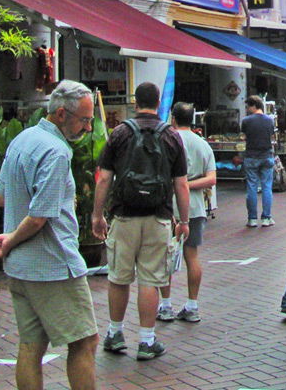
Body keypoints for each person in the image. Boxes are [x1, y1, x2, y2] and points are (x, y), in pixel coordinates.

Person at [0, 80, 99, 390]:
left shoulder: (23, 139)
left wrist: (11, 238)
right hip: (52, 264)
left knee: (30, 346)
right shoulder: (56, 152)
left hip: (21, 266)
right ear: (62, 114)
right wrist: (11, 238)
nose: (88, 128)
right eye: (85, 119)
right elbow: (39, 217)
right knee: (84, 341)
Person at [92, 82, 190, 361]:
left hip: (123, 215)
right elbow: (181, 184)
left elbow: (104, 178)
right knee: (150, 280)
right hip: (158, 217)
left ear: (136, 102)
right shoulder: (171, 135)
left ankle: (114, 333)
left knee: (119, 278)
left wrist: (97, 215)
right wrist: (183, 220)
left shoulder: (120, 133)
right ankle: (146, 340)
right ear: (159, 103)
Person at [156, 102, 216, 325]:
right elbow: (212, 179)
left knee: (164, 255)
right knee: (192, 256)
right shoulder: (202, 144)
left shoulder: (166, 141)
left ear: (173, 118)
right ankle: (192, 305)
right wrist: (189, 185)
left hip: (167, 206)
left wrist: (178, 186)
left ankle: (166, 305)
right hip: (195, 207)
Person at [240, 95, 276, 227]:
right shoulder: (269, 120)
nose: (248, 109)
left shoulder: (246, 121)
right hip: (267, 155)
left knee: (252, 187)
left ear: (254, 106)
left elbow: (244, 137)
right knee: (267, 187)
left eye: (248, 106)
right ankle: (266, 218)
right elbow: (271, 136)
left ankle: (252, 219)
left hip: (251, 156)